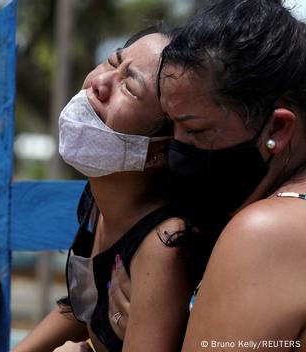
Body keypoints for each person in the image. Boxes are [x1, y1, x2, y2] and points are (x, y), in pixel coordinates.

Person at [109, 0, 306, 350]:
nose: (177, 150)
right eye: (171, 126)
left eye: (196, 131)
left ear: (277, 126)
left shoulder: (263, 232)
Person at [14, 25, 208, 352]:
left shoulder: (163, 245)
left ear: (161, 148)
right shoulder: (98, 199)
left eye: (130, 86)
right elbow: (83, 306)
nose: (100, 83)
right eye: (111, 61)